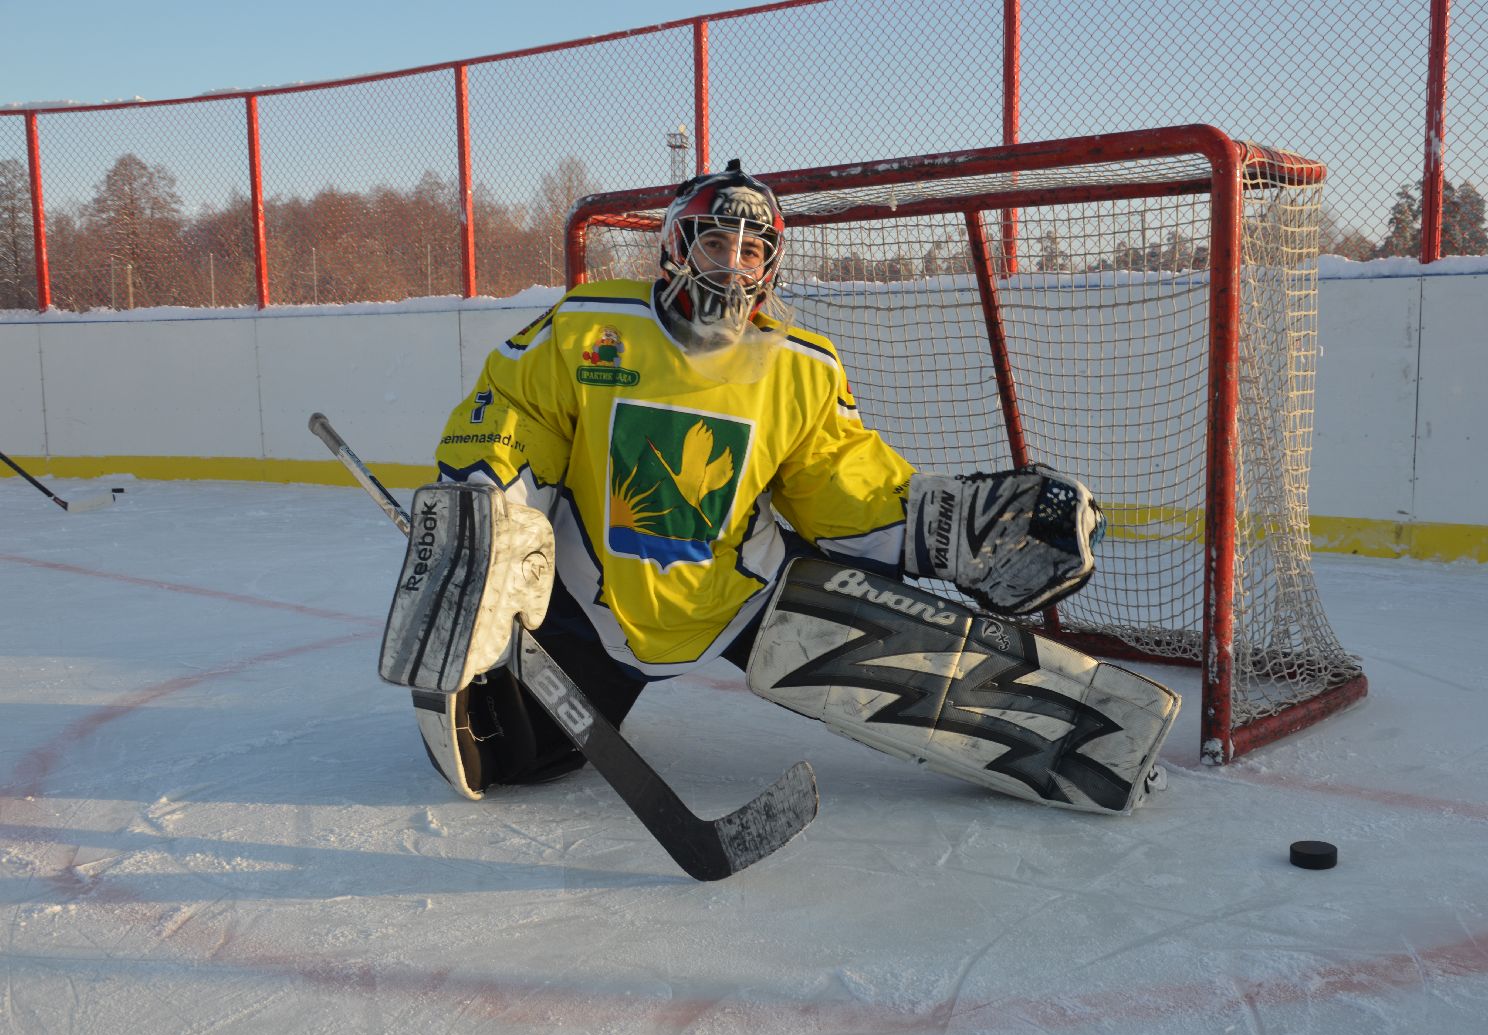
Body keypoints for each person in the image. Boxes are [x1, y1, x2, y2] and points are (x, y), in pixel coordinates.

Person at [391, 160, 1111, 803]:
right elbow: (517, 416)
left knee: (906, 653)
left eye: (752, 249)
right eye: (715, 242)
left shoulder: (800, 364)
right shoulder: (589, 328)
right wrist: (491, 510)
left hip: (742, 594)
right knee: (505, 756)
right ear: (676, 246)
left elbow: (835, 478)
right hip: (590, 605)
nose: (733, 263)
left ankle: (1065, 732)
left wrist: (954, 529)